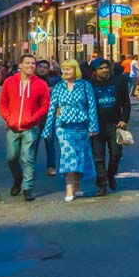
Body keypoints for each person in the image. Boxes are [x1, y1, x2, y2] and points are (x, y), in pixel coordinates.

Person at [41, 59, 100, 201]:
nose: (65, 72)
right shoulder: (58, 87)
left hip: (81, 126)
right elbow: (52, 109)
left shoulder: (86, 86)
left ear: (76, 70)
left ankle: (77, 183)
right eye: (64, 69)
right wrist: (47, 129)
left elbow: (92, 107)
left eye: (69, 69)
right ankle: (69, 187)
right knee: (68, 154)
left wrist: (93, 126)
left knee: (80, 155)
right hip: (63, 126)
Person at [0, 54, 49, 201]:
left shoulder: (40, 84)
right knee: (11, 158)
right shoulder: (10, 82)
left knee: (28, 158)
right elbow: (3, 103)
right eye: (27, 63)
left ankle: (28, 188)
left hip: (31, 127)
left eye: (33, 63)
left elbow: (45, 105)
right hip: (12, 126)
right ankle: (18, 178)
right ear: (20, 65)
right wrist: (8, 118)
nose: (30, 66)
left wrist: (33, 118)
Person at [86, 57, 132, 193]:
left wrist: (124, 119)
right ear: (95, 71)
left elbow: (126, 103)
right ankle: (102, 184)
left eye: (106, 67)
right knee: (98, 156)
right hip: (96, 125)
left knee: (116, 154)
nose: (104, 70)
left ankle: (110, 174)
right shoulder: (89, 85)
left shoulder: (118, 81)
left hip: (115, 124)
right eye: (101, 68)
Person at [35, 59, 61, 174]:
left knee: (49, 142)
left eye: (45, 67)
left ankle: (51, 166)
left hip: (48, 116)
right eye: (40, 66)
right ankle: (30, 167)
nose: (42, 69)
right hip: (34, 116)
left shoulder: (52, 81)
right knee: (33, 143)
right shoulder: (32, 80)